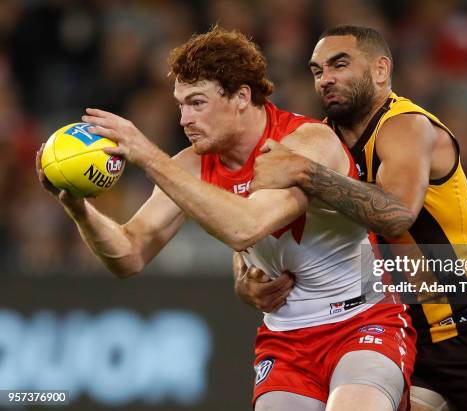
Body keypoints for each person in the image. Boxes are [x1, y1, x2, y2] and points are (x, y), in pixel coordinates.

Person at [35, 26, 416, 411]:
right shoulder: (191, 165)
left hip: (363, 322)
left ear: (241, 97)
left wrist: (148, 156)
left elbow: (245, 226)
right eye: (180, 104)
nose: (185, 119)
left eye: (197, 103)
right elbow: (129, 253)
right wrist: (77, 207)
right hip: (286, 340)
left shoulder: (305, 144)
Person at [236, 25, 467, 411]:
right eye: (317, 71)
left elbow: (395, 215)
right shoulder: (315, 143)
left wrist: (306, 174)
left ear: (380, 70)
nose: (326, 79)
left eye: (339, 65)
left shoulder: (407, 127)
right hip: (403, 337)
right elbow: (256, 219)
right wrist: (245, 280)